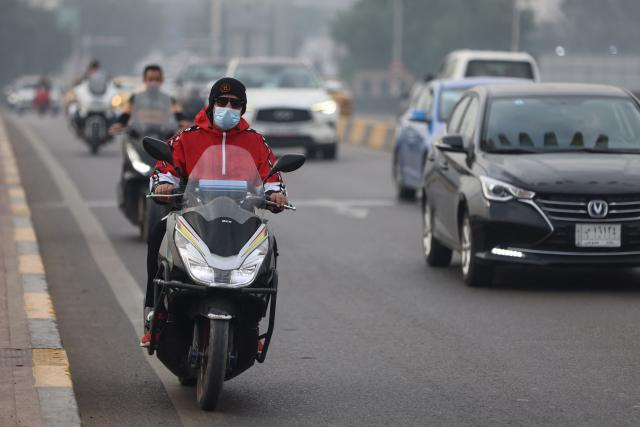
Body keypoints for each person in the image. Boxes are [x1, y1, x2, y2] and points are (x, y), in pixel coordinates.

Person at [140, 77, 289, 347]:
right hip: (192, 214)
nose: (228, 108)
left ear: (243, 109)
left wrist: (276, 193)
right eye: (222, 102)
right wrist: (164, 184)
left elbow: (271, 175)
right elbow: (166, 167)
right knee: (157, 235)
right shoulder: (187, 137)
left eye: (235, 104)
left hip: (243, 218)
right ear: (211, 105)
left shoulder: (256, 141)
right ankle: (155, 315)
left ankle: (253, 324)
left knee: (270, 246)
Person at [110, 64, 190, 133]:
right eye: (150, 79)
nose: (154, 82)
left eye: (157, 79)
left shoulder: (169, 99)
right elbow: (126, 114)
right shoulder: (135, 98)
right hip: (139, 137)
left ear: (162, 81)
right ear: (145, 80)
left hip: (162, 138)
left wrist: (183, 122)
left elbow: (178, 113)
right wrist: (119, 124)